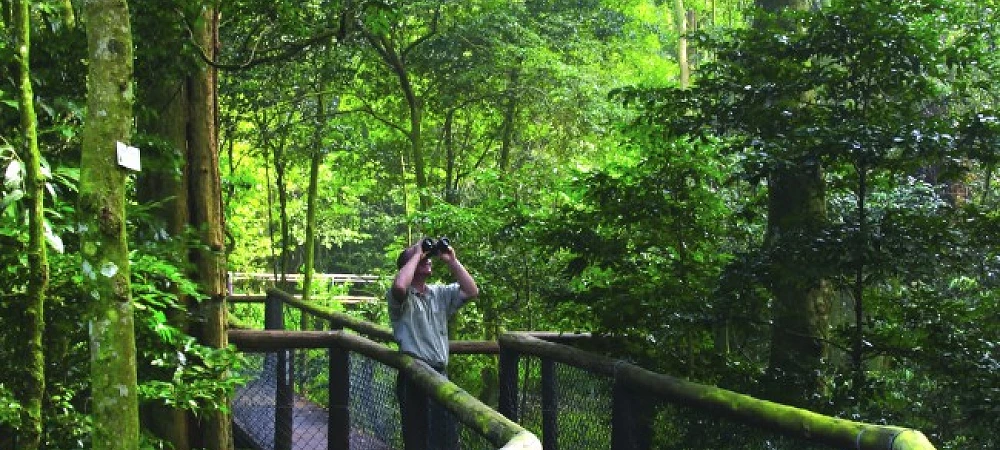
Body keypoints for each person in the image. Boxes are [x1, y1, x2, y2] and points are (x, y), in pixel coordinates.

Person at [388, 238, 479, 449]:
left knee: (445, 439)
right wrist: (416, 253)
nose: (427, 259)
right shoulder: (400, 298)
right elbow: (400, 286)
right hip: (414, 375)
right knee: (417, 439)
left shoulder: (438, 293)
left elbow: (472, 291)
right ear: (409, 266)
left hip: (439, 375)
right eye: (422, 258)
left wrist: (452, 261)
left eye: (426, 257)